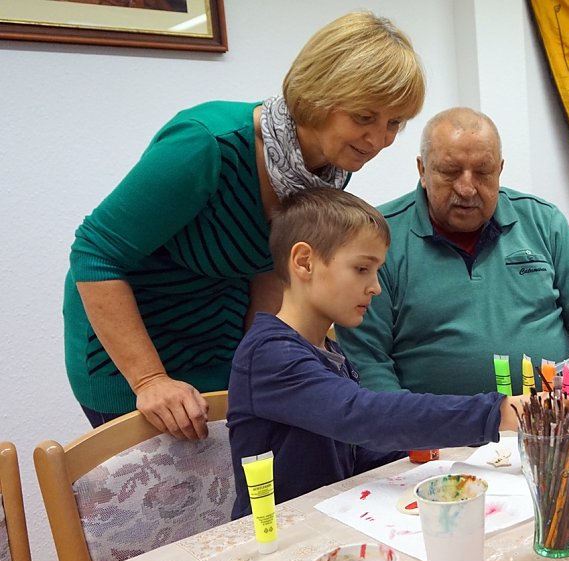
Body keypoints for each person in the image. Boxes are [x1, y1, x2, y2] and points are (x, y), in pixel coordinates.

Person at [63, 11, 425, 440]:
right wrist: (149, 381)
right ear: (319, 94)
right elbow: (95, 253)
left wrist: (266, 362)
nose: (378, 140)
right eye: (365, 117)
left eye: (393, 124)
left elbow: (270, 268)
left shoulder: (330, 165)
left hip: (218, 338)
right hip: (132, 355)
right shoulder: (206, 146)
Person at [335, 107, 569, 396]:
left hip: (552, 424)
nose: (467, 188)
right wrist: (410, 432)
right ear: (423, 170)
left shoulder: (540, 220)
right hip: (442, 444)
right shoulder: (376, 239)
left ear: (500, 170)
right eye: (450, 171)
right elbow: (368, 363)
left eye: (483, 172)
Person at [226, 188, 528, 519]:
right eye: (361, 269)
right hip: (275, 541)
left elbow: (358, 451)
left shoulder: (328, 351)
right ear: (304, 262)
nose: (376, 287)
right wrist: (496, 411)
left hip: (331, 518)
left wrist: (431, 443)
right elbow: (361, 416)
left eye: (377, 270)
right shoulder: (269, 355)